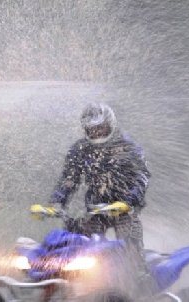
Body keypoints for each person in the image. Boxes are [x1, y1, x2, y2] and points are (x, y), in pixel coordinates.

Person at [39, 102, 151, 273]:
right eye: (92, 129)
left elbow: (141, 176)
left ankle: (139, 276)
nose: (96, 133)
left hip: (124, 208)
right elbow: (69, 179)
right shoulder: (80, 149)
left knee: (130, 242)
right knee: (77, 243)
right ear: (85, 129)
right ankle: (76, 278)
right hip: (95, 209)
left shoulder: (128, 147)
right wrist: (56, 202)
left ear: (110, 124)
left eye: (101, 128)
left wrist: (129, 201)